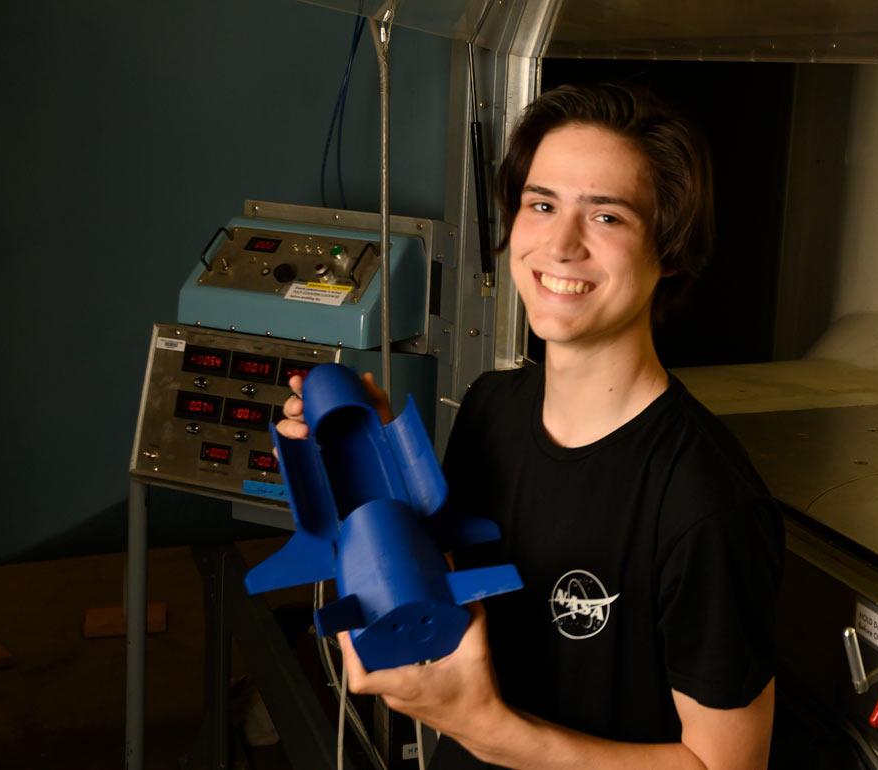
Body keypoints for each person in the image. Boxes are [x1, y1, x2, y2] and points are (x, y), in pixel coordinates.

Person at [275, 82, 782, 770]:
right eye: (541, 205)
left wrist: (485, 730)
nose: (561, 244)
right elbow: (439, 572)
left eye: (607, 218)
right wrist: (373, 458)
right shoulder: (492, 407)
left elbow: (727, 767)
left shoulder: (705, 502)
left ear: (670, 251)